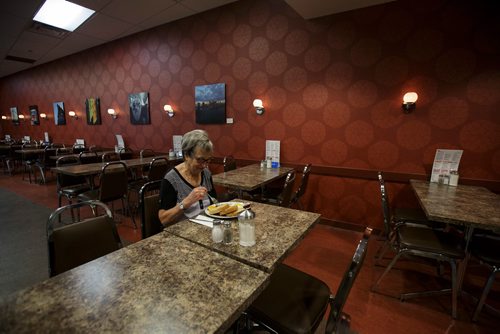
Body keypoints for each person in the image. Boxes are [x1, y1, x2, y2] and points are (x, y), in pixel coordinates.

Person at [158, 129, 217, 226]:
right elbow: (163, 219)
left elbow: (214, 202)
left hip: (206, 225)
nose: (204, 166)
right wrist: (186, 202)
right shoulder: (171, 179)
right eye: (200, 160)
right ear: (186, 155)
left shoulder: (206, 173)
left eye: (208, 160)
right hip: (182, 231)